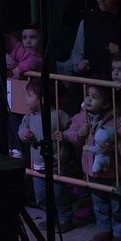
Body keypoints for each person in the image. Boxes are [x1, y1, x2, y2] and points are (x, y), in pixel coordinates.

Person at [64, 82, 121, 241]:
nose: (88, 100)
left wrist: (113, 148)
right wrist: (78, 134)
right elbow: (70, 134)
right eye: (88, 95)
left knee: (117, 203)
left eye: (94, 97)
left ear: (106, 103)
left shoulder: (119, 121)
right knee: (99, 203)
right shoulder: (81, 117)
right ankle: (104, 230)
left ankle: (120, 233)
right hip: (92, 171)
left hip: (115, 172)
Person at [19, 78, 73, 228]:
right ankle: (51, 217)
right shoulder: (29, 117)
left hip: (56, 164)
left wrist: (65, 135)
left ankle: (65, 218)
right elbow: (21, 129)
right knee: (41, 196)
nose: (26, 99)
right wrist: (23, 133)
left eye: (29, 95)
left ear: (42, 98)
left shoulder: (59, 115)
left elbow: (72, 128)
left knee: (58, 194)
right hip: (37, 166)